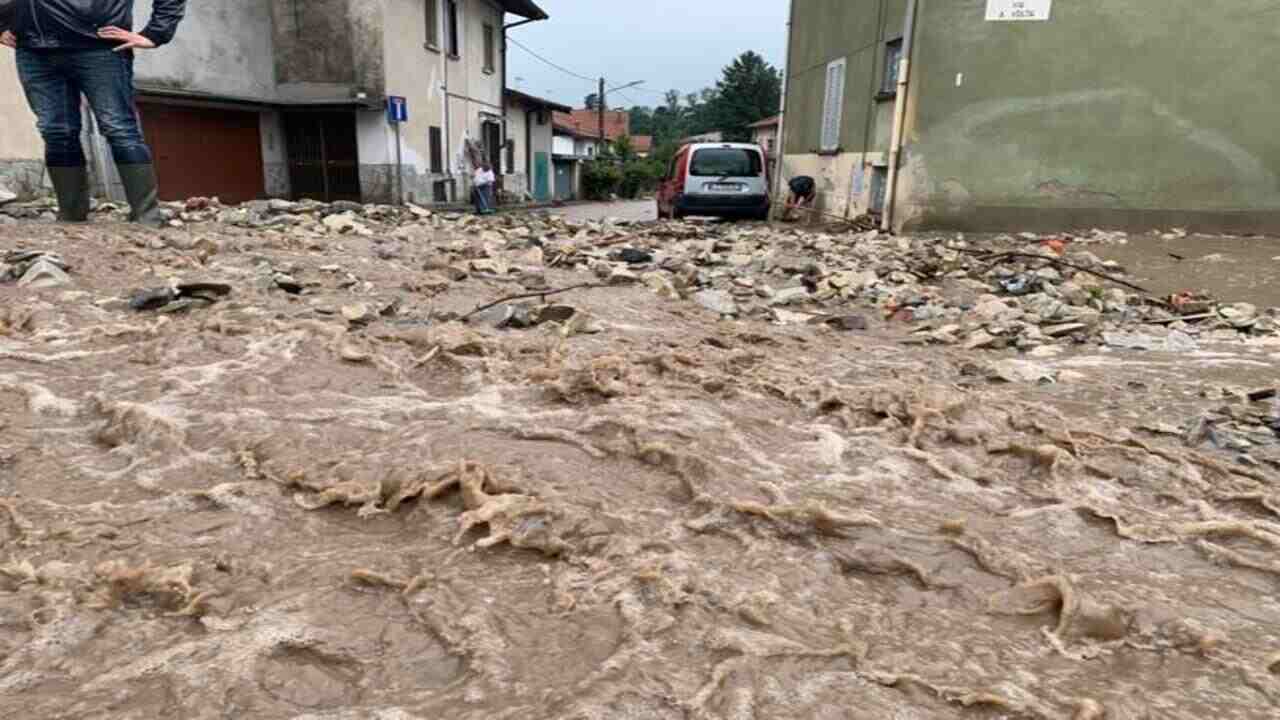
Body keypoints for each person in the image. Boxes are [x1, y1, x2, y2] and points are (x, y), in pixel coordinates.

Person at [0, 0, 186, 227]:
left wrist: (156, 33)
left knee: (118, 128)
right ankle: (71, 216)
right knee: (55, 130)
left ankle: (147, 217)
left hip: (97, 45)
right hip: (33, 49)